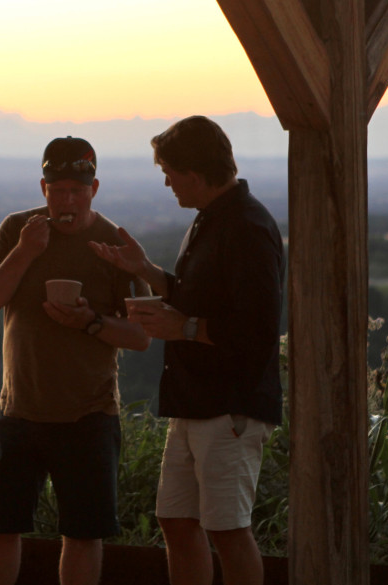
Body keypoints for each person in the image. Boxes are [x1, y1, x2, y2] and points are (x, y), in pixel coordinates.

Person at [90, 116, 284, 585]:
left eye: (169, 173)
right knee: (176, 521)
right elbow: (193, 296)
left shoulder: (247, 227)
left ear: (194, 175)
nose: (167, 183)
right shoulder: (211, 221)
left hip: (229, 407)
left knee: (228, 531)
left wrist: (185, 328)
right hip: (194, 403)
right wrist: (147, 271)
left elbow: (257, 332)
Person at [0, 137, 150, 585]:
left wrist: (90, 322)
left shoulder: (112, 244)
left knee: (83, 536)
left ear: (94, 189)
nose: (67, 200)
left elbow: (142, 335)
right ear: (43, 187)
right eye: (58, 190)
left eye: (77, 189)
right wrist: (26, 251)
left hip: (88, 415)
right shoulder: (18, 231)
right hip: (17, 413)